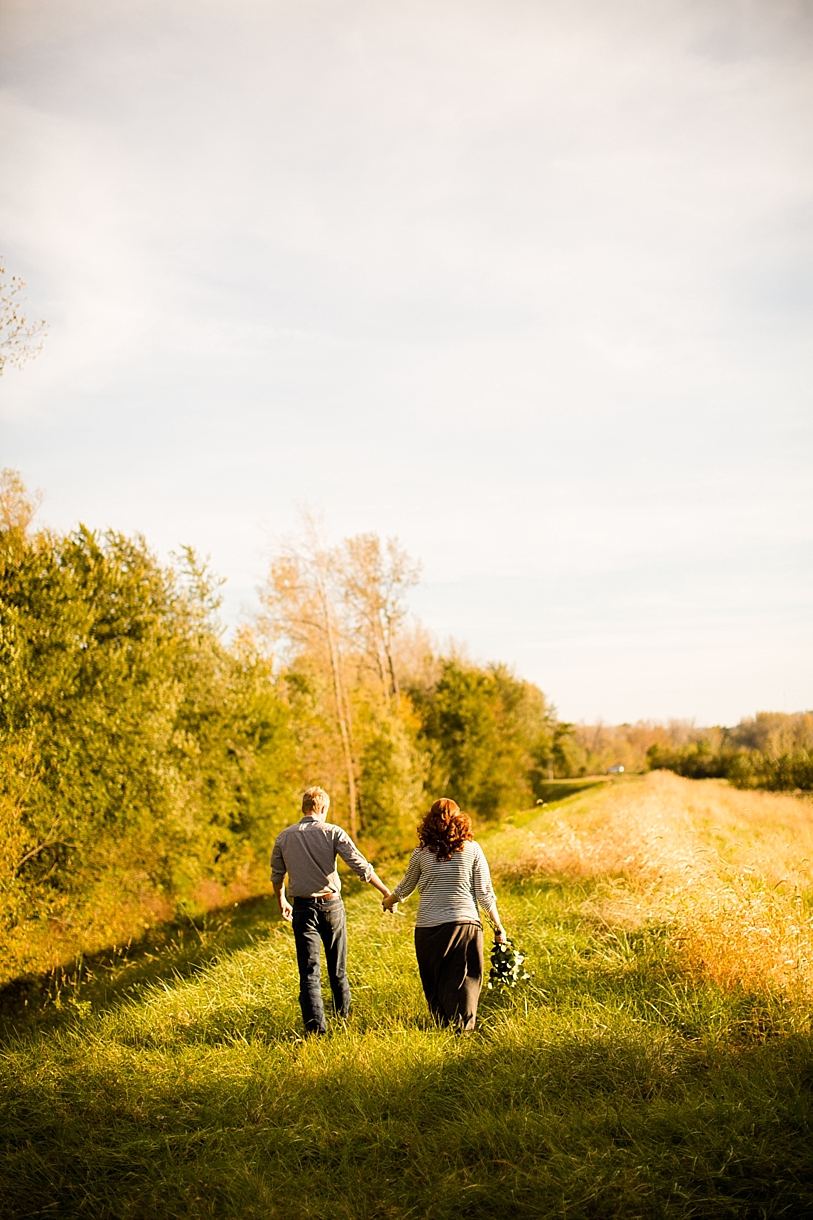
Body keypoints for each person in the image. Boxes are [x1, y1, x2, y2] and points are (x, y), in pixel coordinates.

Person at [271, 786, 392, 1035]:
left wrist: (282, 900)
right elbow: (361, 866)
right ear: (323, 808)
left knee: (309, 972)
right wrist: (385, 892)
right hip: (331, 906)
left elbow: (277, 874)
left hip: (302, 908)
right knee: (337, 969)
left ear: (304, 808)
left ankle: (316, 1030)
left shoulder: (284, 836)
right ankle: (343, 1021)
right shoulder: (333, 832)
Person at [383, 798, 506, 1032]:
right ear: (460, 819)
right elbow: (484, 893)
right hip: (465, 926)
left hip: (429, 929)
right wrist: (498, 926)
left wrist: (389, 901)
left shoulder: (420, 853)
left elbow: (405, 886)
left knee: (435, 981)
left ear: (428, 822)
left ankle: (444, 1028)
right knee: (466, 980)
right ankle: (463, 1032)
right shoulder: (473, 849)